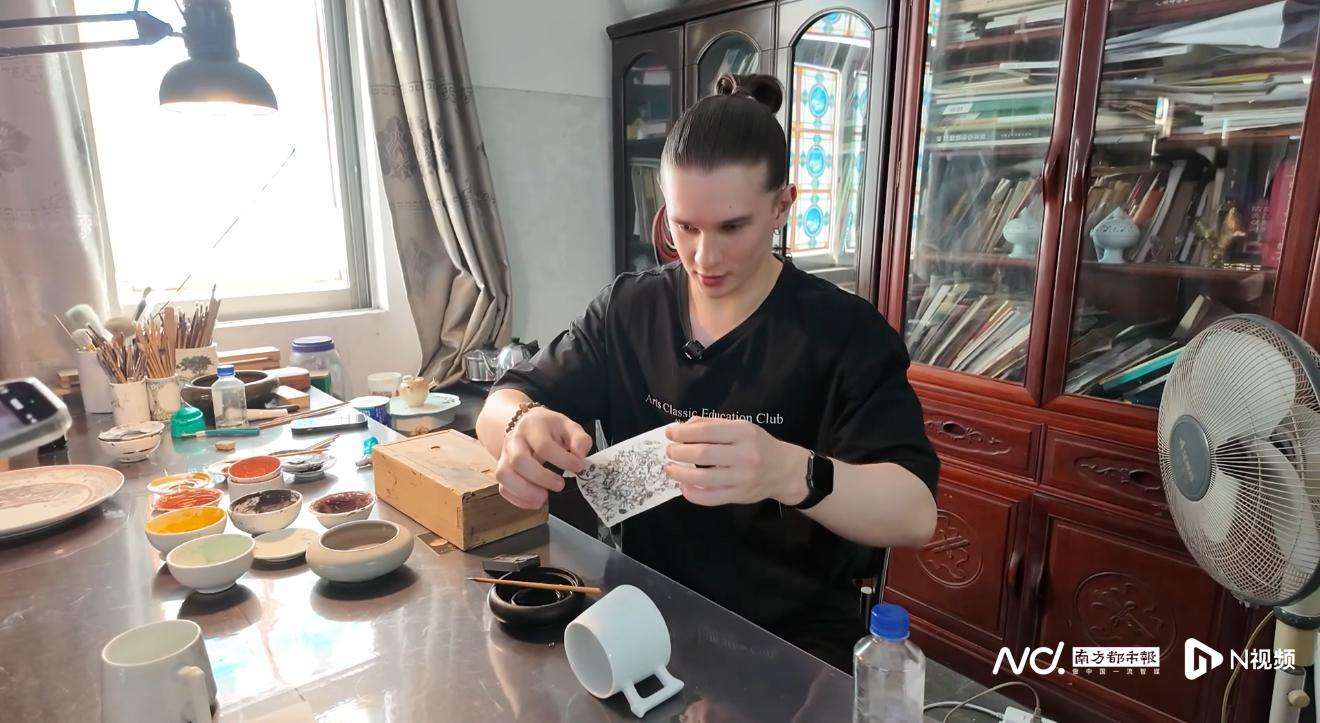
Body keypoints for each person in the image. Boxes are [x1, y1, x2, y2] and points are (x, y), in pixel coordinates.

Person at [476, 73, 938, 670]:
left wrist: (788, 471)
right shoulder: (629, 310)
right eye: (685, 226)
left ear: (782, 205)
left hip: (792, 644)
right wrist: (521, 429)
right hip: (641, 617)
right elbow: (504, 401)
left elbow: (915, 513)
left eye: (732, 227)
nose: (703, 256)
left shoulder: (845, 335)